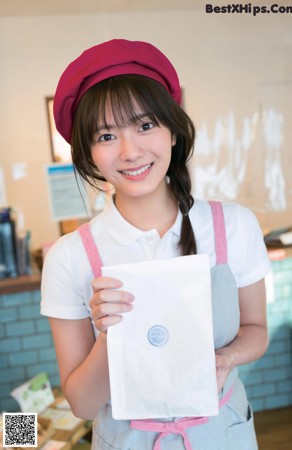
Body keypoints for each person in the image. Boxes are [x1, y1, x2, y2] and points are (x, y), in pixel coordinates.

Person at [41, 39, 271, 450]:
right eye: (107, 135)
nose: (130, 152)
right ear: (88, 153)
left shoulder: (233, 225)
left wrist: (225, 359)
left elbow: (256, 331)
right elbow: (79, 403)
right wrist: (112, 336)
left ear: (172, 129)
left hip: (226, 435)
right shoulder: (69, 258)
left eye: (145, 125)